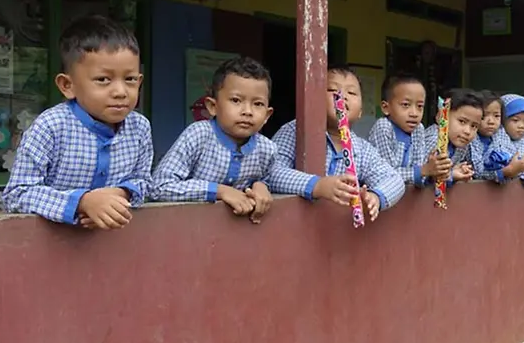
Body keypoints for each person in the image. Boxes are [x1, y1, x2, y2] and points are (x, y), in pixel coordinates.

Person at [2, 15, 153, 229]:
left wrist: (119, 195)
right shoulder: (50, 127)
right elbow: (17, 193)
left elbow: (144, 182)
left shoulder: (140, 128)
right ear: (67, 85)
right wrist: (82, 203)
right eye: (103, 80)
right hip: (51, 243)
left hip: (113, 243)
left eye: (130, 79)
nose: (121, 92)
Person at [150, 57, 323, 223]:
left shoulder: (266, 149)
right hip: (188, 230)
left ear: (267, 115)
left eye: (257, 104)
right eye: (236, 100)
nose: (247, 111)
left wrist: (261, 186)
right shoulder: (198, 135)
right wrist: (219, 191)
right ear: (213, 106)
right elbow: (159, 186)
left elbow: (270, 178)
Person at [270, 67, 406, 221]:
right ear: (315, 101)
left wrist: (376, 197)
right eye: (332, 90)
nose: (342, 96)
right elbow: (272, 172)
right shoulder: (296, 130)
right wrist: (318, 185)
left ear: (360, 112)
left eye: (351, 93)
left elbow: (394, 179)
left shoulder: (362, 150)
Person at [368, 73, 451, 188]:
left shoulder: (418, 129)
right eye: (405, 105)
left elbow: (420, 170)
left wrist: (435, 170)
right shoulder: (383, 127)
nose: (414, 113)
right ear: (386, 108)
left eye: (420, 106)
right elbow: (386, 175)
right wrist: (423, 170)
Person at [423, 88, 481, 186]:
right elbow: (419, 179)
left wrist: (462, 170)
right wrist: (451, 175)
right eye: (462, 121)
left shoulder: (462, 144)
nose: (467, 131)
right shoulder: (434, 139)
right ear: (441, 116)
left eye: (474, 126)